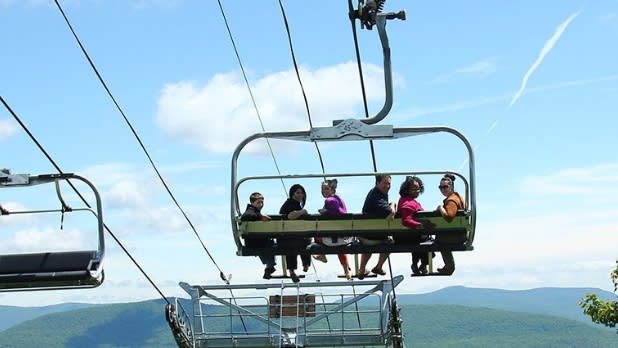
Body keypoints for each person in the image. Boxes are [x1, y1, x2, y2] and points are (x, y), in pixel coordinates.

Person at [358, 175, 396, 279]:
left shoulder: (374, 193)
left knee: (369, 242)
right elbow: (390, 214)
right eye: (385, 183)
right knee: (390, 241)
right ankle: (379, 266)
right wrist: (393, 205)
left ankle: (362, 269)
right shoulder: (377, 196)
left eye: (389, 183)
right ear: (377, 183)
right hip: (371, 237)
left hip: (364, 235)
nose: (387, 186)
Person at [316, 179, 353, 280]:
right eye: (323, 189)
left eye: (327, 189)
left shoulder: (330, 200)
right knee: (339, 248)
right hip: (344, 237)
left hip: (333, 239)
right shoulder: (339, 200)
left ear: (332, 189)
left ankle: (322, 254)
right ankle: (346, 270)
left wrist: (325, 211)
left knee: (317, 235)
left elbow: (334, 209)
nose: (324, 191)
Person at [397, 176, 434, 275]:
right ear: (407, 189)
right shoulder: (408, 203)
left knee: (422, 241)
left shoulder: (407, 201)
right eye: (414, 189)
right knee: (428, 244)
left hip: (407, 235)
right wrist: (421, 225)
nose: (417, 191)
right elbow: (406, 220)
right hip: (407, 236)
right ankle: (421, 264)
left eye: (418, 188)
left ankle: (418, 264)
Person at [279, 184, 311, 283]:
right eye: (298, 192)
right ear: (292, 194)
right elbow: (291, 216)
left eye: (301, 193)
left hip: (284, 237)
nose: (300, 195)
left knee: (294, 243)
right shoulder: (291, 204)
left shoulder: (291, 204)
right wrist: (303, 211)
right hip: (290, 238)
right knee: (305, 242)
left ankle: (292, 270)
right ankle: (305, 264)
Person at [240, 192, 276, 279]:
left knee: (269, 243)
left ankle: (269, 267)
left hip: (255, 241)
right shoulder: (251, 211)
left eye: (262, 202)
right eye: (258, 202)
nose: (261, 205)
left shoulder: (254, 211)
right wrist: (260, 216)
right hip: (255, 242)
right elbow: (245, 216)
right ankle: (269, 266)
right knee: (270, 244)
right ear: (252, 203)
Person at [435, 173, 465, 275]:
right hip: (460, 233)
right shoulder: (457, 197)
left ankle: (449, 267)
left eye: (445, 187)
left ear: (451, 187)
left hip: (456, 236)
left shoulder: (452, 200)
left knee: (438, 240)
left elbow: (449, 217)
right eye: (440, 187)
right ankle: (449, 266)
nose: (442, 189)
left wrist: (440, 208)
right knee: (440, 237)